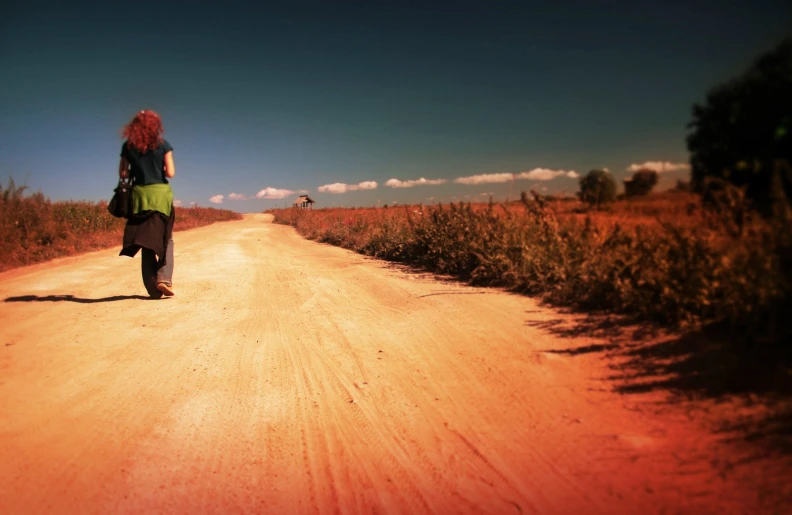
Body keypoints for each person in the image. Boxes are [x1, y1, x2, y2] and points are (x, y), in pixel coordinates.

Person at [117, 110, 177, 298]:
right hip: (160, 196)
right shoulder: (162, 144)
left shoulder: (128, 146)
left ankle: (152, 288)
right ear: (155, 125)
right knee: (166, 237)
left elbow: (123, 174)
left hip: (140, 196)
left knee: (145, 240)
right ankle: (163, 279)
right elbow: (170, 173)